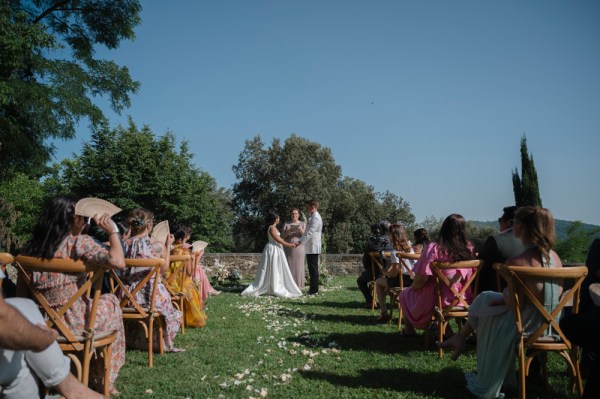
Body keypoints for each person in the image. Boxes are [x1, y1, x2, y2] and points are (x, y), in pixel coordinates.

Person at [442, 207, 563, 399]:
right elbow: (554, 294)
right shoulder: (555, 258)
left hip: (525, 327)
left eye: (515, 222)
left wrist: (503, 296)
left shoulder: (517, 262)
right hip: (552, 325)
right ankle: (460, 337)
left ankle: (462, 339)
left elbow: (513, 303)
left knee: (486, 308)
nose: (512, 225)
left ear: (523, 227)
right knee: (486, 299)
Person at [19, 195, 126, 395]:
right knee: (111, 301)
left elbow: (21, 296)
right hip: (75, 323)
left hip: (40, 322)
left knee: (104, 302)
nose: (86, 224)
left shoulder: (29, 248)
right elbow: (118, 262)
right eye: (84, 218)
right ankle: (102, 378)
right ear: (75, 219)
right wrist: (113, 231)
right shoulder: (79, 243)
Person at [0, 290, 105, 399]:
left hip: (50, 316)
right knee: (24, 307)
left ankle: (72, 388)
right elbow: (2, 318)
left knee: (14, 358)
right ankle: (72, 389)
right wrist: (40, 338)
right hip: (68, 320)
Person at [398, 213, 476, 336]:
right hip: (466, 297)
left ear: (444, 228)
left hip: (440, 298)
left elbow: (421, 280)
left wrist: (414, 287)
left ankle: (409, 330)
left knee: (405, 294)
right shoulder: (468, 247)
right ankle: (448, 332)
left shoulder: (434, 248)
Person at [122, 208, 184, 352]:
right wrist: (168, 246)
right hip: (151, 296)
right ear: (149, 225)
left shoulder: (122, 245)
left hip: (126, 296)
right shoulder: (156, 246)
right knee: (169, 306)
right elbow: (164, 269)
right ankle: (159, 341)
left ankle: (133, 339)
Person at [559, 238, 600, 399]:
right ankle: (585, 367)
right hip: (590, 304)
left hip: (589, 308)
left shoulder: (598, 244)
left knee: (569, 322)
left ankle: (586, 367)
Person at [241, 213, 302, 298]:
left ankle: (273, 285)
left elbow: (280, 239)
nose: (279, 219)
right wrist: (290, 245)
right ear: (275, 219)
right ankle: (273, 287)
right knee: (271, 266)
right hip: (273, 249)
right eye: (278, 218)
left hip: (276, 249)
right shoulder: (272, 228)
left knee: (276, 267)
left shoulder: (274, 227)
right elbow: (278, 239)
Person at [477, 206, 525, 293]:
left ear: (509, 222)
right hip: (527, 296)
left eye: (500, 220)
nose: (499, 222)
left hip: (498, 295)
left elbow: (479, 269)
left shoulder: (495, 241)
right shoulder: (533, 244)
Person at [167, 224, 207, 328]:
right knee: (192, 291)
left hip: (168, 285)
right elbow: (189, 273)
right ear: (180, 240)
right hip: (181, 287)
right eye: (186, 239)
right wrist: (193, 258)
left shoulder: (168, 251)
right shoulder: (185, 253)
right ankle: (187, 319)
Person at [374, 223, 416, 322]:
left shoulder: (395, 251)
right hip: (412, 280)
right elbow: (402, 265)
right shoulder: (410, 249)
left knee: (378, 282)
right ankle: (399, 299)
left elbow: (394, 274)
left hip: (402, 281)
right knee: (387, 290)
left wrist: (385, 272)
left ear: (392, 236)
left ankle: (384, 312)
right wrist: (391, 262)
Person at [357, 222, 393, 308]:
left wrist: (368, 269)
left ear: (380, 230)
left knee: (360, 281)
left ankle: (370, 302)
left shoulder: (374, 241)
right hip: (395, 273)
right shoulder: (395, 241)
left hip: (378, 272)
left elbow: (366, 259)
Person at [298, 199, 323, 295]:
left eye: (308, 207)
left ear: (313, 207)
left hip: (313, 246)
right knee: (312, 269)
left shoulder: (316, 217)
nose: (307, 209)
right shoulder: (313, 217)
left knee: (313, 269)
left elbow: (310, 232)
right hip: (310, 246)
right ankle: (313, 289)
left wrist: (300, 241)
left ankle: (314, 290)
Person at [282, 208, 306, 289]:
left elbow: (306, 237)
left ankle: (299, 285)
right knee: (288, 264)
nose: (294, 215)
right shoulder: (286, 224)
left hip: (299, 247)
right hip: (288, 246)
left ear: (298, 215)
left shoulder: (303, 223)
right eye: (292, 213)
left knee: (299, 266)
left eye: (296, 214)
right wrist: (288, 232)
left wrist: (301, 230)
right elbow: (281, 237)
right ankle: (288, 285)